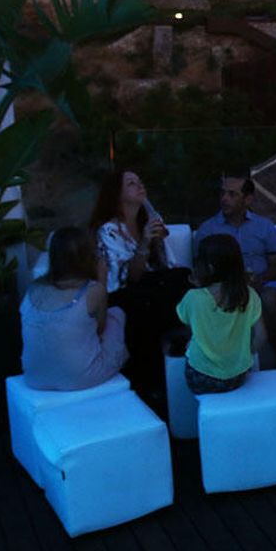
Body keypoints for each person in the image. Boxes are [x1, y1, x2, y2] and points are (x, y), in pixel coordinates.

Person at [89, 169, 189, 394]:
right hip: (124, 294)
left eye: (140, 181)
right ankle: (153, 383)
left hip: (151, 288)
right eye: (131, 184)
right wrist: (144, 241)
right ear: (117, 194)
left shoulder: (149, 220)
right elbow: (131, 279)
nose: (139, 186)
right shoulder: (109, 231)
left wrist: (159, 243)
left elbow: (165, 268)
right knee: (151, 303)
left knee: (184, 279)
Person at [194, 169, 276, 366]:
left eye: (232, 194)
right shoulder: (207, 230)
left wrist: (259, 280)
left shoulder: (264, 226)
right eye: (222, 193)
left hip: (262, 283)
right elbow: (200, 270)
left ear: (248, 199)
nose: (224, 199)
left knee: (270, 299)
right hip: (222, 288)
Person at [21, 227, 128, 391]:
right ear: (88, 257)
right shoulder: (93, 291)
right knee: (117, 315)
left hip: (34, 377)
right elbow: (100, 329)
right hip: (79, 378)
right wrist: (102, 280)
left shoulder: (33, 289)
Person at [176, 234, 262, 394]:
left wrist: (199, 287)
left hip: (201, 377)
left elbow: (187, 322)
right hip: (237, 377)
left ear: (209, 268)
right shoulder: (249, 295)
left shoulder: (193, 297)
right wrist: (245, 355)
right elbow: (262, 336)